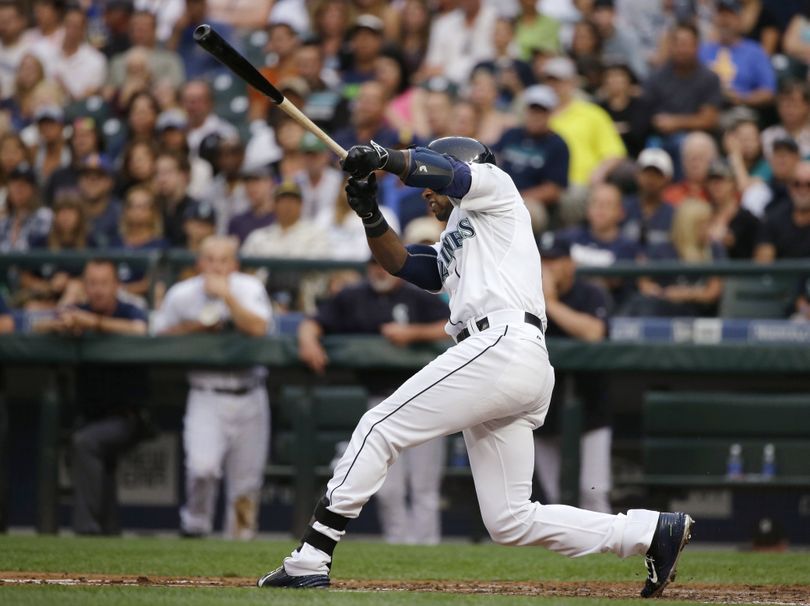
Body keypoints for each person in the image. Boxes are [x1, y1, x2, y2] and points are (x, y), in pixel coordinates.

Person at [256, 136, 693, 597]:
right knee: (509, 519)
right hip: (511, 357)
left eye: (433, 179)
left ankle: (311, 555)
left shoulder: (495, 188)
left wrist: (387, 159)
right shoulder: (459, 233)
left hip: (501, 341)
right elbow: (405, 264)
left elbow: (450, 175)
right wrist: (371, 215)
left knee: (377, 425)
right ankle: (648, 532)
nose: (426, 193)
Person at [298, 256, 450, 544]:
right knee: (388, 486)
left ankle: (428, 549)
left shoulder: (417, 295)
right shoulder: (353, 297)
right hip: (380, 400)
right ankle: (398, 546)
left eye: (384, 264)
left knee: (424, 485)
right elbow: (314, 322)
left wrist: (413, 333)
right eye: (374, 265)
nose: (379, 270)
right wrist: (308, 341)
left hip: (426, 400)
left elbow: (452, 326)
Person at [153, 235, 272, 539]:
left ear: (234, 264)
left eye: (224, 260)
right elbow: (157, 337)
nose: (216, 267)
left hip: (250, 391)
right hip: (206, 392)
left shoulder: (248, 288)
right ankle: (195, 526)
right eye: (210, 259)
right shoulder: (182, 294)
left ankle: (240, 545)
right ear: (199, 263)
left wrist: (228, 298)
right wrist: (197, 329)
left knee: (246, 485)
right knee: (202, 468)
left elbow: (259, 329)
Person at [36, 259, 150, 535]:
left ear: (115, 286)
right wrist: (62, 323)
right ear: (85, 286)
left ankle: (86, 530)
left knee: (85, 443)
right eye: (92, 284)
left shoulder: (129, 310)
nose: (98, 290)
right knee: (97, 455)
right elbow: (37, 327)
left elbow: (141, 330)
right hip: (90, 415)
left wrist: (94, 323)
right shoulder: (79, 310)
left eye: (104, 283)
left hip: (129, 416)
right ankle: (109, 533)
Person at [535, 234, 612, 514]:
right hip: (543, 411)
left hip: (590, 408)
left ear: (570, 264)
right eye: (544, 260)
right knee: (556, 497)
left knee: (593, 492)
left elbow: (594, 333)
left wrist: (550, 302)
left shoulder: (590, 293)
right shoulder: (524, 295)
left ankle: (604, 554)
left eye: (555, 260)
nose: (548, 267)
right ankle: (568, 557)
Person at [622, 199, 725, 318]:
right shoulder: (662, 249)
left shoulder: (715, 249)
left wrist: (683, 293)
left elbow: (713, 292)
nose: (708, 228)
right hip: (664, 312)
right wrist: (659, 293)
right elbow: (644, 283)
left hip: (700, 314)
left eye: (710, 223)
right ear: (688, 225)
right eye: (704, 223)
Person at [492, 84, 569, 233]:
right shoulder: (511, 135)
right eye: (533, 110)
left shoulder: (557, 144)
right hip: (500, 194)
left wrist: (515, 198)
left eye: (541, 111)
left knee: (528, 212)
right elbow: (491, 158)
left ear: (550, 114)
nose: (536, 116)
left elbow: (553, 189)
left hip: (531, 201)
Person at [698, 0, 775, 109]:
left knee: (745, 126)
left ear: (740, 19)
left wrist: (742, 98)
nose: (724, 20)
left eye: (729, 15)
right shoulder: (703, 50)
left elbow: (768, 92)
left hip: (740, 109)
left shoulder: (755, 52)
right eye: (720, 15)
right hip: (705, 108)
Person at [621, 148, 675, 251]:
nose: (651, 179)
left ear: (667, 179)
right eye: (646, 173)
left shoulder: (673, 215)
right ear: (637, 175)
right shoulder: (623, 208)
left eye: (657, 174)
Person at [227, 163, 276, 244]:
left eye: (256, 181)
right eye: (247, 182)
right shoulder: (237, 222)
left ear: (270, 183)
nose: (251, 187)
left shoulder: (280, 218)